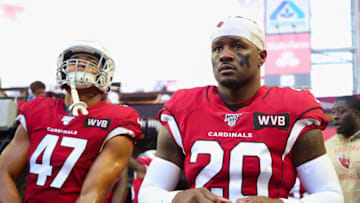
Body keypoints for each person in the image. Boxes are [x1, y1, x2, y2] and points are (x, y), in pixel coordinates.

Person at [138, 16, 343, 203]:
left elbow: (331, 196)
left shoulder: (293, 107)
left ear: (261, 57)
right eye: (217, 48)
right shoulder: (183, 106)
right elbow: (148, 193)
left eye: (237, 47)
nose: (225, 55)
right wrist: (178, 198)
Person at [0, 40, 143, 203]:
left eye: (90, 62)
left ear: (105, 74)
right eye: (73, 60)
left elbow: (92, 194)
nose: (79, 65)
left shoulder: (118, 118)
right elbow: (4, 173)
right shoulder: (37, 109)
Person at [326, 95, 360, 203]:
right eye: (334, 112)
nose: (335, 116)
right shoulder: (326, 146)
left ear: (356, 114)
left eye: (341, 112)